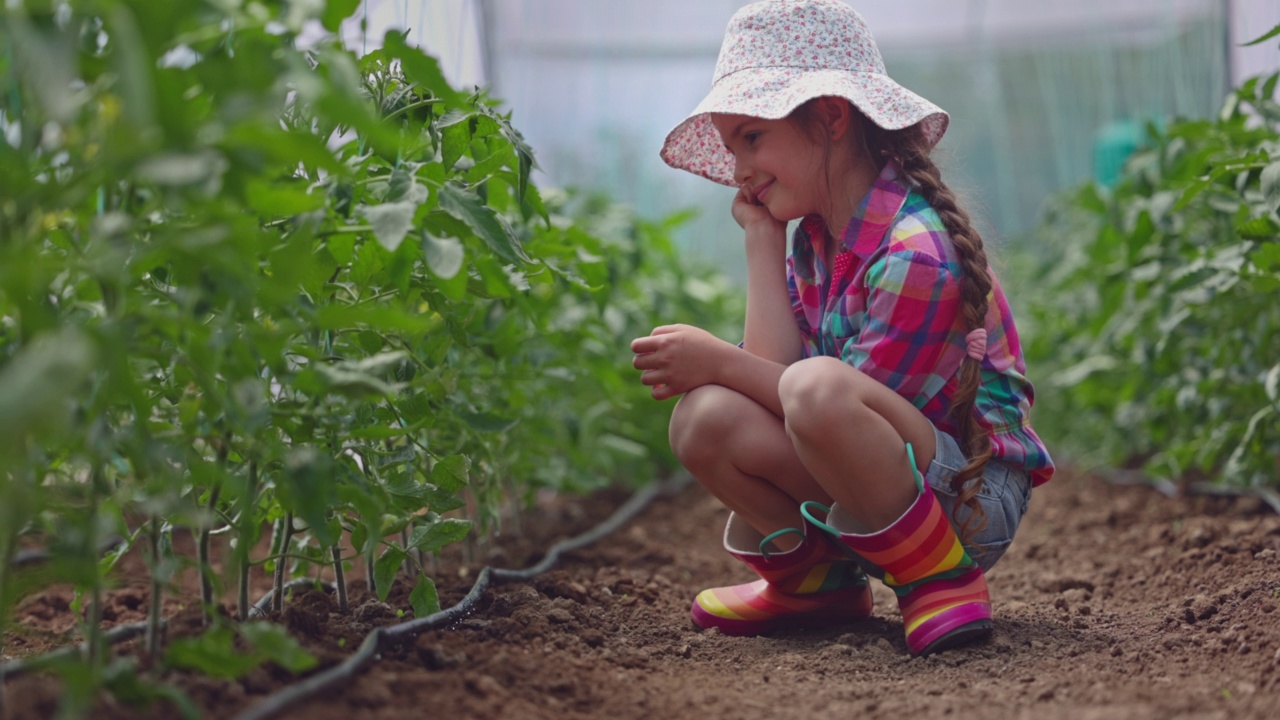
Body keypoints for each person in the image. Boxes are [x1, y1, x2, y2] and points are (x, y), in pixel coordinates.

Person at [630, 0, 1054, 657]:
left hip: (969, 498)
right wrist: (763, 244)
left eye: (751, 138)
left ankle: (940, 578)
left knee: (815, 390)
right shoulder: (818, 241)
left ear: (830, 117)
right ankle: (815, 583)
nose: (738, 170)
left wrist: (717, 359)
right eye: (730, 146)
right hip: (877, 479)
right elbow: (770, 389)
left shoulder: (914, 250)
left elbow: (833, 407)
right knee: (705, 419)